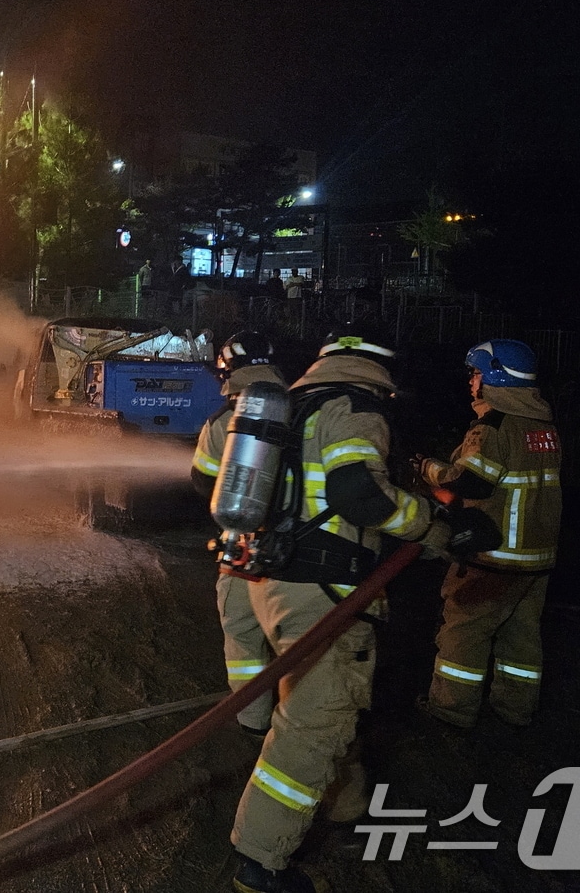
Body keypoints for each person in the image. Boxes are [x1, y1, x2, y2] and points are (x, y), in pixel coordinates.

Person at [227, 326, 457, 893]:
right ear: (382, 370)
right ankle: (259, 863)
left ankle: (345, 807)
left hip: (277, 579)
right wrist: (429, 524)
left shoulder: (298, 402)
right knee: (314, 724)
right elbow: (359, 494)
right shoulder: (356, 408)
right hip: (326, 592)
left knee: (329, 703)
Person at [414, 339, 562, 729]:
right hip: (538, 557)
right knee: (521, 637)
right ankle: (515, 709)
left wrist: (428, 469)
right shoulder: (543, 426)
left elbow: (472, 482)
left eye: (477, 373)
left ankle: (451, 710)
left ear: (497, 376)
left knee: (463, 632)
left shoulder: (494, 426)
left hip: (495, 555)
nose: (471, 381)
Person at [190, 331, 285, 739]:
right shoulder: (304, 408)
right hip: (301, 550)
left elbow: (202, 481)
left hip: (245, 553)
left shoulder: (225, 421)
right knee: (300, 641)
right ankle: (298, 719)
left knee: (244, 637)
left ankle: (253, 721)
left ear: (228, 372)